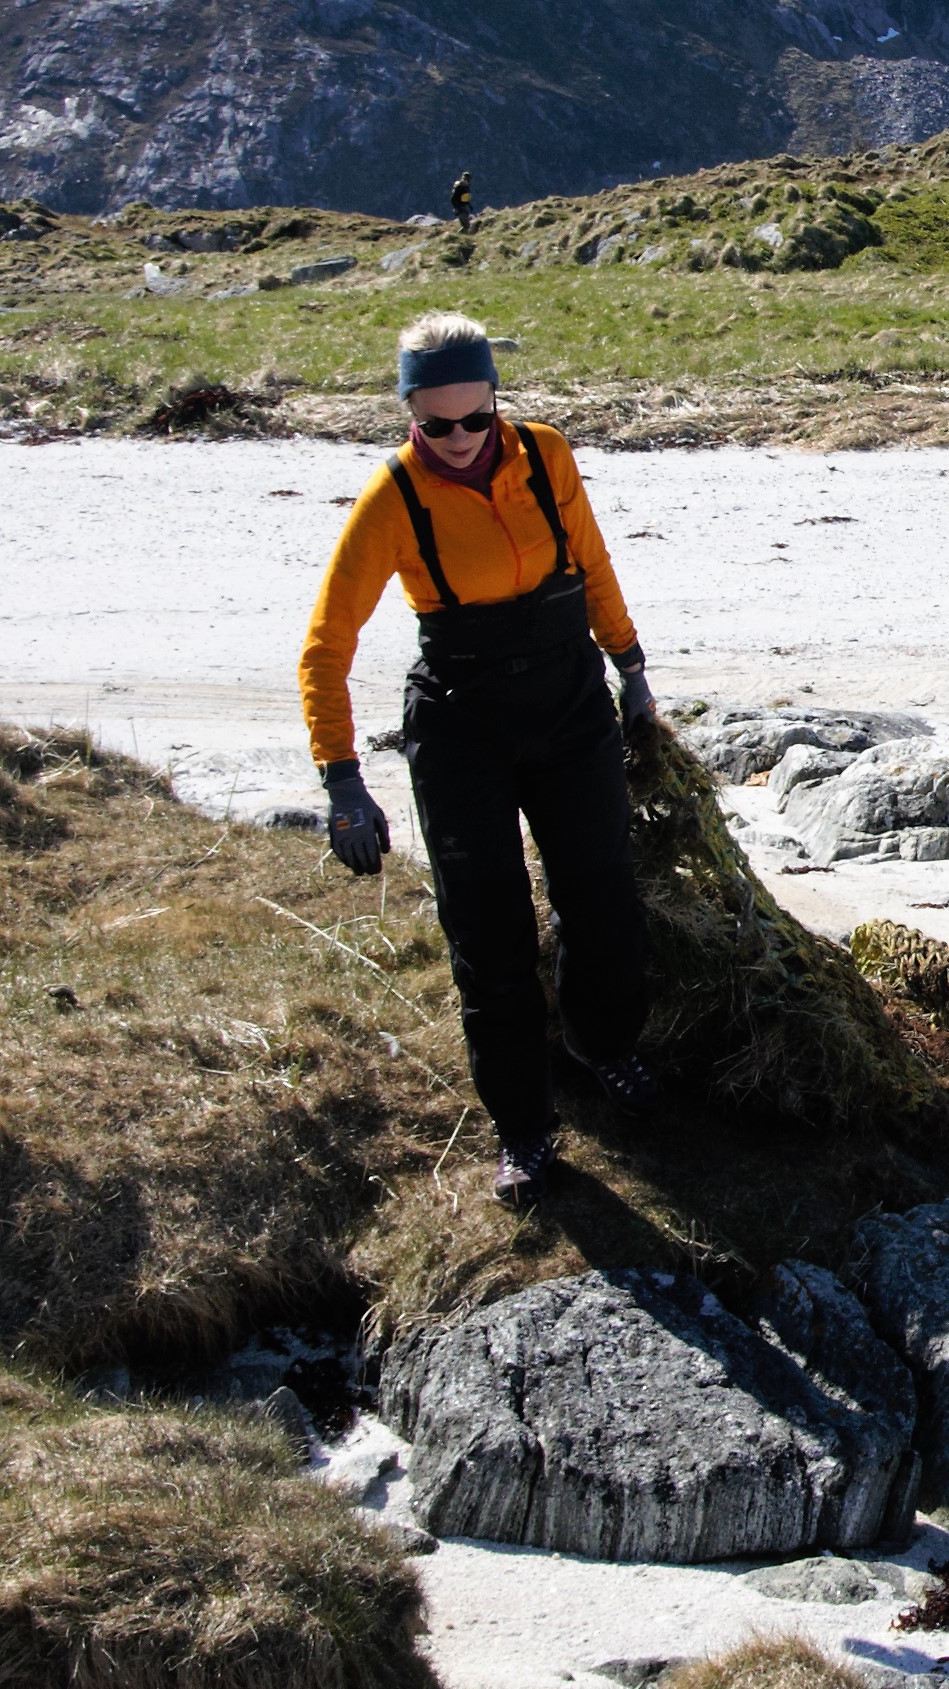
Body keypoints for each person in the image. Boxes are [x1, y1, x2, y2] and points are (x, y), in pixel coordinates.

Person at [300, 312, 658, 1207]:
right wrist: (342, 777)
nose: (459, 441)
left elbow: (593, 558)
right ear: (409, 413)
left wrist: (631, 666)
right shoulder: (392, 498)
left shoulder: (545, 455)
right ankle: (524, 1127)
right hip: (464, 722)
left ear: (497, 401)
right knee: (486, 929)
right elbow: (326, 643)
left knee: (601, 893)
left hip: (569, 700)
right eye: (436, 425)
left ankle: (603, 1047)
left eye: (476, 419)